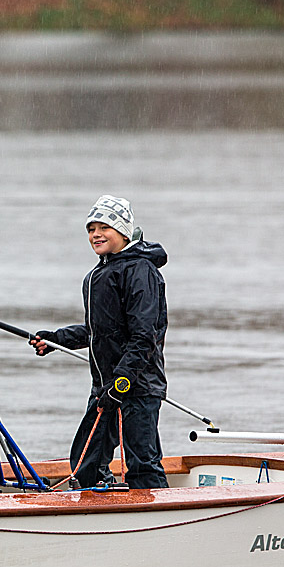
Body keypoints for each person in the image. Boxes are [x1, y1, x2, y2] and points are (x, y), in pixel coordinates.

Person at [30, 195, 170, 490]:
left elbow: (144, 336)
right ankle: (99, 515)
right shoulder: (97, 275)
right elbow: (99, 331)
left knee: (142, 465)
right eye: (91, 228)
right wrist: (56, 339)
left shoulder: (140, 271)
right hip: (105, 388)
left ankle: (161, 519)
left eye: (104, 227)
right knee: (85, 463)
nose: (96, 234)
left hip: (137, 387)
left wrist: (122, 382)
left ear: (123, 231)